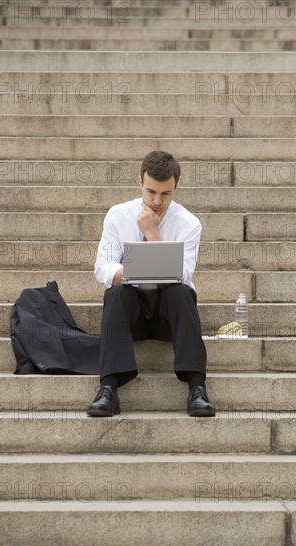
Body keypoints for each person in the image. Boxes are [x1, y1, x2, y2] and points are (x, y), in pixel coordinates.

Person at [87, 150, 215, 418]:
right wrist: (136, 271)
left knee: (181, 292)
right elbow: (103, 267)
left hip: (167, 317)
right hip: (130, 315)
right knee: (117, 291)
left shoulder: (188, 223)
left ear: (175, 188)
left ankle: (197, 387)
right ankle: (108, 388)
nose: (157, 201)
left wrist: (151, 233)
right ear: (140, 183)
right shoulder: (118, 215)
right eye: (151, 192)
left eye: (165, 194)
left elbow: (183, 274)